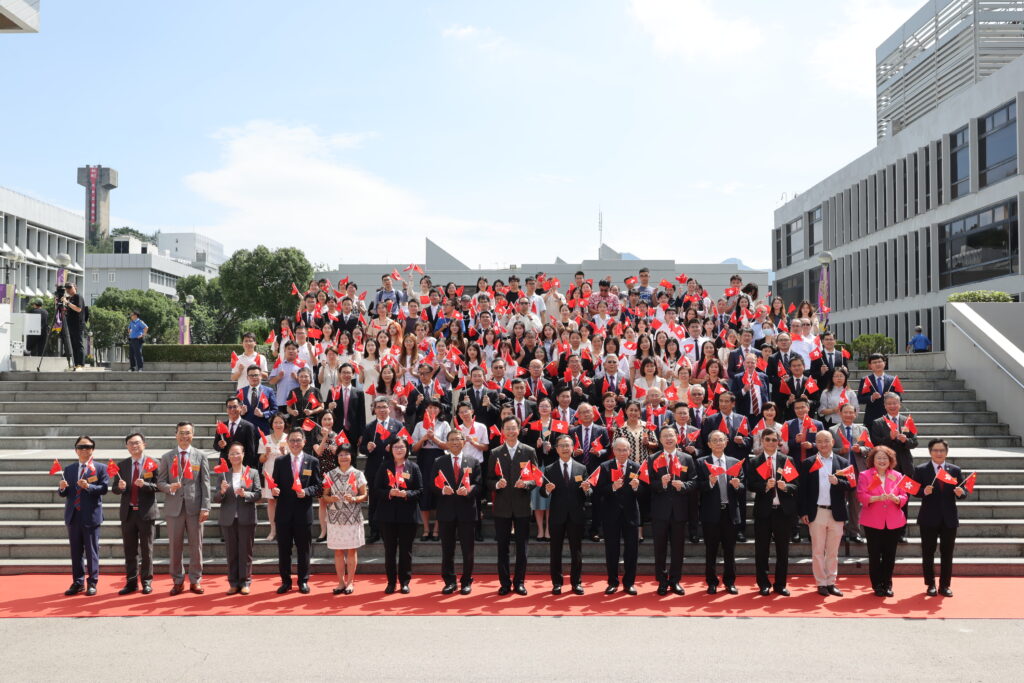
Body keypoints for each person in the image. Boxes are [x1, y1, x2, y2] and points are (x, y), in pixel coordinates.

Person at [486, 416, 539, 595]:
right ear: (502, 431)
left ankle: (520, 582)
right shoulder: (495, 453)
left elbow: (536, 477)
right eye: (507, 428)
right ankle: (504, 583)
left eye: (513, 428)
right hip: (501, 506)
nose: (510, 431)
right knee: (503, 547)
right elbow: (488, 480)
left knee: (522, 547)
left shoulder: (529, 451)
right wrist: (495, 485)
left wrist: (527, 484)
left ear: (518, 430)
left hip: (522, 504)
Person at [158, 422, 210, 595]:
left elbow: (205, 484)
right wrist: (170, 487)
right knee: (175, 546)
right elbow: (160, 482)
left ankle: (195, 580)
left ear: (192, 435)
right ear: (176, 435)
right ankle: (178, 580)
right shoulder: (167, 457)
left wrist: (206, 507)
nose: (184, 436)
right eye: (181, 433)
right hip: (174, 509)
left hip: (195, 508)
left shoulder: (200, 456)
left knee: (197, 546)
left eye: (188, 433)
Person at [798, 430, 851, 597]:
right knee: (818, 550)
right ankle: (820, 583)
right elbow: (802, 490)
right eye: (819, 441)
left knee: (833, 551)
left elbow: (851, 485)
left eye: (826, 440)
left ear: (832, 443)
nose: (823, 444)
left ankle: (831, 582)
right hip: (817, 511)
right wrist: (803, 511)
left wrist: (838, 482)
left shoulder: (842, 462)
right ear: (816, 444)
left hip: (836, 512)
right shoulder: (808, 463)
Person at [913, 438, 968, 597]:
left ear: (946, 452)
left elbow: (962, 491)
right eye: (935, 450)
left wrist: (961, 493)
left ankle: (945, 585)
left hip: (949, 518)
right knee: (928, 553)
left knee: (947, 553)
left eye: (942, 450)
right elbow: (914, 491)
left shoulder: (954, 470)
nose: (938, 453)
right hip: (928, 518)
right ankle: (930, 584)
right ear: (930, 452)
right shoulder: (921, 469)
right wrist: (924, 491)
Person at [271, 428, 322, 593]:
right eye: (292, 440)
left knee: (303, 549)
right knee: (284, 550)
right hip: (284, 514)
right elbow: (275, 483)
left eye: (298, 440)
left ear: (304, 442)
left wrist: (306, 492)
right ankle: (285, 581)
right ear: (287, 442)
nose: (295, 443)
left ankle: (303, 581)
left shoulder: (312, 461)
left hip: (303, 513)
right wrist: (274, 491)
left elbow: (318, 486)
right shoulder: (280, 462)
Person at [748, 428, 799, 596]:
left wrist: (787, 487)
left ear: (779, 442)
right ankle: (763, 583)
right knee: (761, 550)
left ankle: (780, 584)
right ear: (762, 442)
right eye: (767, 439)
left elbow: (796, 484)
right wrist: (764, 487)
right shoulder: (755, 462)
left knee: (782, 551)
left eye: (774, 440)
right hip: (763, 512)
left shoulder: (787, 460)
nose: (771, 443)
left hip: (783, 512)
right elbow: (750, 484)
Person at [648, 425, 697, 596]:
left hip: (679, 510)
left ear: (677, 438)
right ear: (660, 440)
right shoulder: (653, 458)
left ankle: (675, 580)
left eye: (671, 435)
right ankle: (662, 581)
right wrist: (661, 483)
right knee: (659, 548)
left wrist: (683, 486)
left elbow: (694, 481)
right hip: (660, 511)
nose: (669, 439)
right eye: (665, 436)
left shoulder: (686, 458)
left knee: (678, 548)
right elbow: (648, 485)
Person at [541, 434, 592, 595]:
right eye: (561, 446)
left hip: (576, 515)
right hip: (557, 515)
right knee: (555, 550)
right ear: (556, 449)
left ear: (572, 448)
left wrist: (587, 489)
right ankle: (557, 583)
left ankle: (576, 582)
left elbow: (589, 492)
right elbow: (543, 493)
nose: (564, 448)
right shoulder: (549, 469)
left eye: (567, 445)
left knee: (576, 551)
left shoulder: (581, 468)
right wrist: (546, 490)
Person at [58, 436, 108, 596]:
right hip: (73, 515)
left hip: (91, 515)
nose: (84, 449)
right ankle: (78, 582)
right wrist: (61, 488)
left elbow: (104, 488)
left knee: (92, 551)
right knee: (75, 551)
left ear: (92, 449)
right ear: (76, 450)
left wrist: (89, 487)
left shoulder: (100, 468)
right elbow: (65, 493)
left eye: (87, 446)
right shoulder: (69, 469)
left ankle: (92, 582)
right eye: (80, 447)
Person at [697, 430, 745, 594]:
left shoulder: (735, 462)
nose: (718, 443)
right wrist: (709, 483)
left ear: (726, 442)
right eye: (714, 440)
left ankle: (729, 582)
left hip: (730, 513)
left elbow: (743, 488)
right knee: (711, 550)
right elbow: (697, 488)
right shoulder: (702, 462)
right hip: (711, 513)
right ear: (709, 444)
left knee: (730, 551)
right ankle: (711, 582)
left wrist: (738, 485)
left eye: (721, 440)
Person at [432, 430, 480, 595]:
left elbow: (479, 484)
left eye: (457, 439)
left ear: (463, 441)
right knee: (447, 549)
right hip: (446, 512)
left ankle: (467, 581)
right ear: (447, 442)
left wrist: (469, 490)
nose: (454, 442)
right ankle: (449, 581)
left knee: (468, 549)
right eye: (451, 440)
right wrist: (441, 490)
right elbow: (432, 484)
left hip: (467, 510)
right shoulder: (439, 461)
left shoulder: (473, 461)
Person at [111, 432, 158, 595]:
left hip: (146, 513)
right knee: (129, 550)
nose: (134, 446)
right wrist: (121, 487)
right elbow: (115, 489)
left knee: (147, 550)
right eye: (131, 443)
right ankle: (131, 582)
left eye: (137, 443)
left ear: (144, 444)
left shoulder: (153, 463)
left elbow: (159, 486)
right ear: (126, 446)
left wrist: (145, 484)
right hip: (128, 513)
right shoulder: (122, 465)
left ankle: (146, 581)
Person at [374, 437, 422, 593]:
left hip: (408, 515)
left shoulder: (413, 467)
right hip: (387, 515)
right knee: (390, 550)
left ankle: (405, 582)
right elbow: (376, 489)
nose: (399, 450)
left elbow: (420, 490)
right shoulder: (384, 466)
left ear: (407, 449)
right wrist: (389, 492)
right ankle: (391, 582)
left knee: (406, 551)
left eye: (402, 447)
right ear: (391, 449)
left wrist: (406, 494)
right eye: (396, 447)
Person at [857, 446, 907, 597]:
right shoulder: (865, 475)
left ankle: (888, 584)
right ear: (873, 460)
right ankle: (877, 585)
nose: (882, 461)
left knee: (890, 555)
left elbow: (904, 496)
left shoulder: (897, 475)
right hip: (873, 521)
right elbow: (861, 495)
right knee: (874, 554)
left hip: (893, 521)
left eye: (885, 458)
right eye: (879, 458)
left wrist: (896, 499)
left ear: (890, 460)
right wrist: (876, 498)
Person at [213, 441, 261, 595]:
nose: (234, 456)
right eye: (232, 453)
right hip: (228, 518)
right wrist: (221, 491)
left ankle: (246, 581)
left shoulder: (252, 472)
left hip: (246, 517)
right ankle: (233, 582)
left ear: (243, 454)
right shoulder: (223, 474)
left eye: (237, 453)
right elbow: (216, 498)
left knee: (245, 551)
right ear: (228, 456)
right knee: (231, 552)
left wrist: (246, 494)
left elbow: (258, 494)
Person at [321, 444, 367, 595]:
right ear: (337, 457)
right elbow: (324, 496)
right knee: (338, 551)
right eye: (341, 454)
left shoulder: (358, 474)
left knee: (351, 551)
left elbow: (364, 495)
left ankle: (350, 582)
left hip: (352, 517)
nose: (344, 457)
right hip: (335, 517)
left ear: (351, 456)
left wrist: (354, 498)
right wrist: (330, 498)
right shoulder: (330, 474)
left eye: (347, 454)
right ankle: (340, 582)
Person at [597, 438, 641, 594]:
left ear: (629, 451)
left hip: (631, 515)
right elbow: (599, 490)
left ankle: (629, 583)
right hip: (611, 514)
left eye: (625, 450)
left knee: (631, 550)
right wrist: (612, 487)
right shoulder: (605, 466)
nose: (622, 453)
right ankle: (613, 582)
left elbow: (645, 494)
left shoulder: (636, 467)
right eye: (619, 450)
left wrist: (637, 488)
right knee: (611, 550)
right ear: (614, 451)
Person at [360, 397, 404, 543]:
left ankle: (393, 531)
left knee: (394, 500)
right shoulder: (369, 427)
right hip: (374, 469)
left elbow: (406, 445)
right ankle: (374, 531)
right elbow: (361, 448)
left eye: (384, 407)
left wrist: (393, 449)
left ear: (389, 408)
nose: (382, 410)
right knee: (374, 501)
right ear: (374, 410)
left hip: (393, 469)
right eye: (379, 407)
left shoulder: (398, 425)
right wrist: (367, 448)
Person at [830, 403, 870, 543]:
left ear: (855, 414)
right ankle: (840, 532)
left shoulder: (862, 429)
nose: (848, 415)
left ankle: (854, 532)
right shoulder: (832, 430)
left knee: (855, 502)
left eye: (851, 412)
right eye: (845, 412)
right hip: (840, 471)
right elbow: (826, 448)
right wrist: (838, 451)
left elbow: (870, 449)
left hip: (857, 471)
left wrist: (862, 450)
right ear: (840, 413)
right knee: (840, 501)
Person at [857, 353, 901, 427]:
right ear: (870, 365)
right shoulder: (866, 380)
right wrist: (871, 397)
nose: (877, 364)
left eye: (880, 362)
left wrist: (892, 396)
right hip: (871, 418)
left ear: (884, 363)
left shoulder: (892, 380)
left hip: (889, 417)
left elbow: (900, 398)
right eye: (874, 362)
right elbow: (860, 399)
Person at [217, 397, 259, 470]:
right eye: (229, 407)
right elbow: (215, 445)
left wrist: (247, 468)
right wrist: (220, 445)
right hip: (225, 466)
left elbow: (251, 450)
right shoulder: (222, 425)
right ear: (226, 409)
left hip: (242, 466)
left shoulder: (248, 426)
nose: (232, 410)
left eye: (235, 406)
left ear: (240, 408)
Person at [240, 364, 278, 436]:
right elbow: (235, 411)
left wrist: (263, 414)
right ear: (247, 377)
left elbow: (275, 410)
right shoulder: (241, 391)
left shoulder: (269, 391)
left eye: (256, 375)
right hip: (245, 430)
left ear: (260, 376)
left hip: (262, 429)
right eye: (251, 375)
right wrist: (241, 413)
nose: (254, 377)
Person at [62, 282, 86, 369]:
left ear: (75, 287)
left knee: (78, 344)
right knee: (73, 345)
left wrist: (67, 303)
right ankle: (76, 364)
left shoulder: (77, 296)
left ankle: (81, 363)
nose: (68, 289)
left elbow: (78, 309)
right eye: (67, 288)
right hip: (71, 325)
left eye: (70, 287)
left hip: (78, 324)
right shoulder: (70, 298)